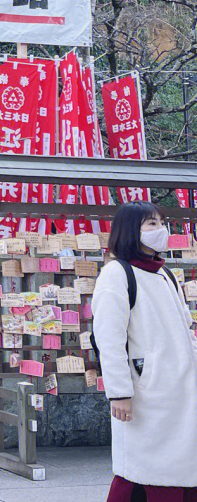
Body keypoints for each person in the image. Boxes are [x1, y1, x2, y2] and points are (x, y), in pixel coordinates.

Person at [92, 201, 197, 501]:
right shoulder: (117, 274)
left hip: (179, 390)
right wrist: (119, 392)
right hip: (145, 394)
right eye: (151, 224)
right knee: (142, 470)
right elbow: (108, 339)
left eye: (161, 223)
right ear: (130, 231)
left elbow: (186, 328)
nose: (160, 230)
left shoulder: (165, 274)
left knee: (181, 466)